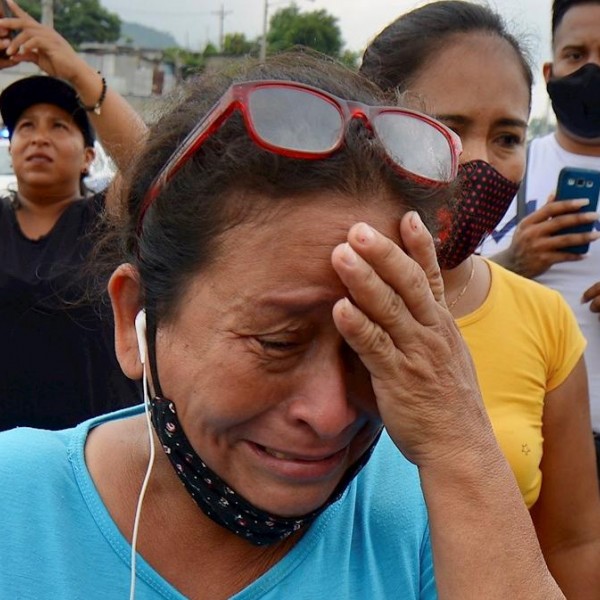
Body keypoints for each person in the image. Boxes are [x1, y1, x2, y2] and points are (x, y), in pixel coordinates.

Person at [0, 50, 566, 599]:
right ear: (135, 320)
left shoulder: (429, 506)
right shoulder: (15, 501)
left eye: (370, 345)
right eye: (276, 342)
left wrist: (462, 448)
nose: (329, 416)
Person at [360, 2, 600, 597]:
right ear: (369, 126)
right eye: (446, 127)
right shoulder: (311, 294)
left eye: (507, 136)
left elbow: (571, 542)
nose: (478, 161)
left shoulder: (543, 320)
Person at [0, 0, 147, 430]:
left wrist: (77, 72)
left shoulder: (105, 221)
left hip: (91, 455)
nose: (39, 137)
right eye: (26, 126)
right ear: (11, 148)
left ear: (87, 157)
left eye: (58, 126)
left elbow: (153, 164)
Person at [478, 0, 600, 481]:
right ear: (550, 71)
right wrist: (512, 260)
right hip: (522, 438)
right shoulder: (503, 168)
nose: (592, 69)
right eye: (576, 54)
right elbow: (443, 290)